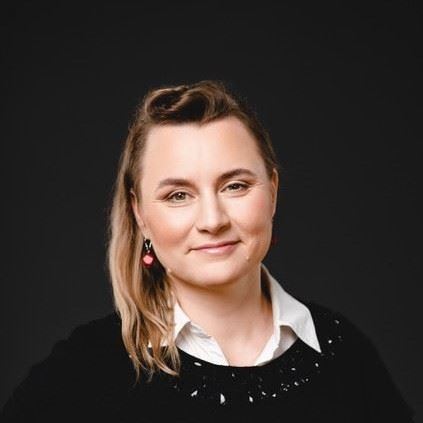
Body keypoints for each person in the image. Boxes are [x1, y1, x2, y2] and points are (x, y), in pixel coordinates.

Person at [1, 80, 415, 422]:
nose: (212, 220)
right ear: (140, 214)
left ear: (272, 192)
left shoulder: (344, 354)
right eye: (178, 195)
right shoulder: (87, 367)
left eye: (235, 186)